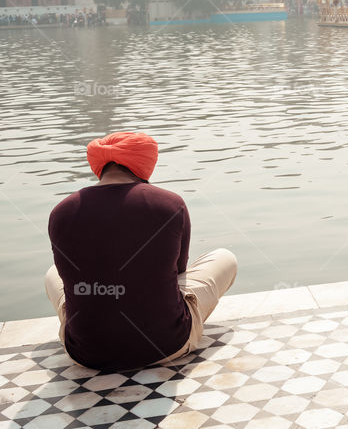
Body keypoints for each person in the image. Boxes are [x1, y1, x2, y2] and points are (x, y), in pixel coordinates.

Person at [46, 132, 238, 371]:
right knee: (224, 258)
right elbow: (180, 272)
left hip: (85, 353)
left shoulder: (61, 211)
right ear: (145, 161)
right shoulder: (169, 204)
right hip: (168, 345)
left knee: (52, 274)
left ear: (98, 164)